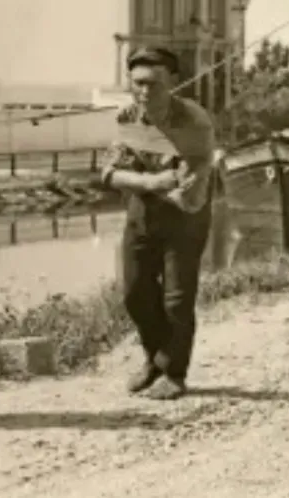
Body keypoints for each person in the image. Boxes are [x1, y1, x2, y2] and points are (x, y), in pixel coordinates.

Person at [101, 46, 215, 401]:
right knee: (135, 293)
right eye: (137, 83)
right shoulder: (127, 118)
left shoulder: (194, 121)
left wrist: (170, 185)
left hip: (185, 214)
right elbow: (109, 173)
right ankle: (154, 358)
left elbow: (194, 181)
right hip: (143, 208)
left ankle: (175, 373)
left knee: (177, 300)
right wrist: (150, 183)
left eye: (154, 84)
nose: (145, 92)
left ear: (174, 82)